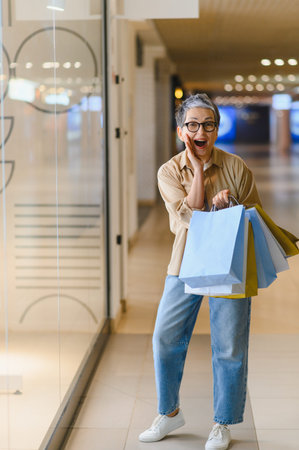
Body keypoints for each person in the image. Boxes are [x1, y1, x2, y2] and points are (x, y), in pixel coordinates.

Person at [138, 93, 262, 450]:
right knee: (165, 336)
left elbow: (255, 216)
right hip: (185, 262)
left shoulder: (236, 167)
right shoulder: (169, 171)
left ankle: (222, 423)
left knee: (229, 346)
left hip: (230, 263)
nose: (201, 131)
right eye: (193, 125)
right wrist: (196, 169)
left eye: (208, 124)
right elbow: (188, 216)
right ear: (181, 130)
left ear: (217, 129)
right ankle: (169, 412)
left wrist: (230, 206)